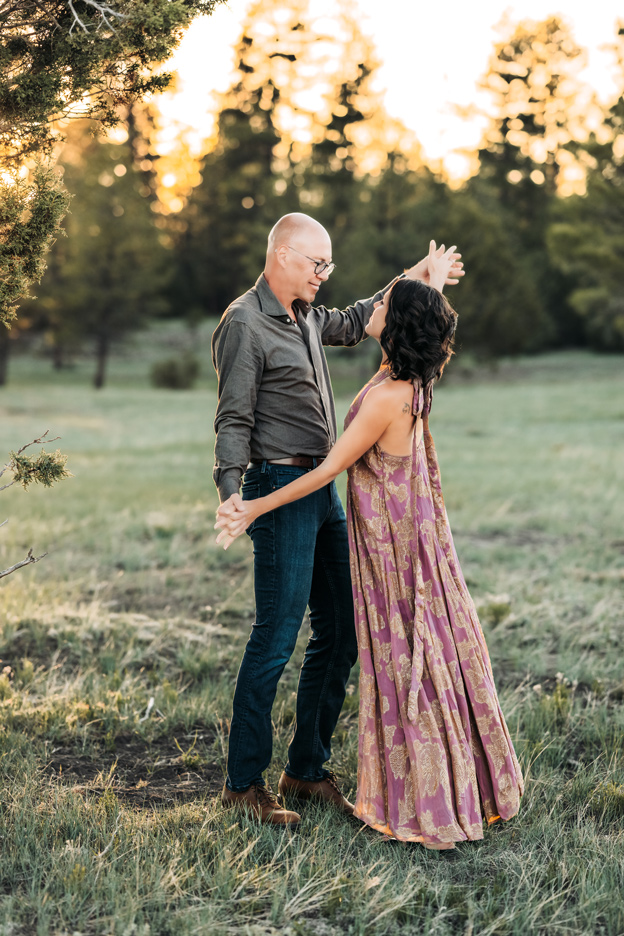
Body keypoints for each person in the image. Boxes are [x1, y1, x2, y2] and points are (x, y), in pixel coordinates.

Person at [216, 241, 524, 847]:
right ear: (282, 256)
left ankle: (306, 770)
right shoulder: (244, 324)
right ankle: (243, 782)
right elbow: (233, 419)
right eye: (317, 264)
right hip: (281, 480)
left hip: (322, 486)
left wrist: (420, 278)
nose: (326, 275)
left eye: (330, 264)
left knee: (341, 632)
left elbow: (366, 316)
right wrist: (234, 495)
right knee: (276, 637)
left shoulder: (308, 316)